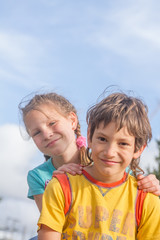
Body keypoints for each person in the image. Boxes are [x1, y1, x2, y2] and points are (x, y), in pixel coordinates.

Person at [37, 91, 160, 239]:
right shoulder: (61, 186)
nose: (110, 152)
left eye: (123, 143)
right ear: (89, 136)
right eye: (102, 139)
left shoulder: (146, 199)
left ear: (138, 149)